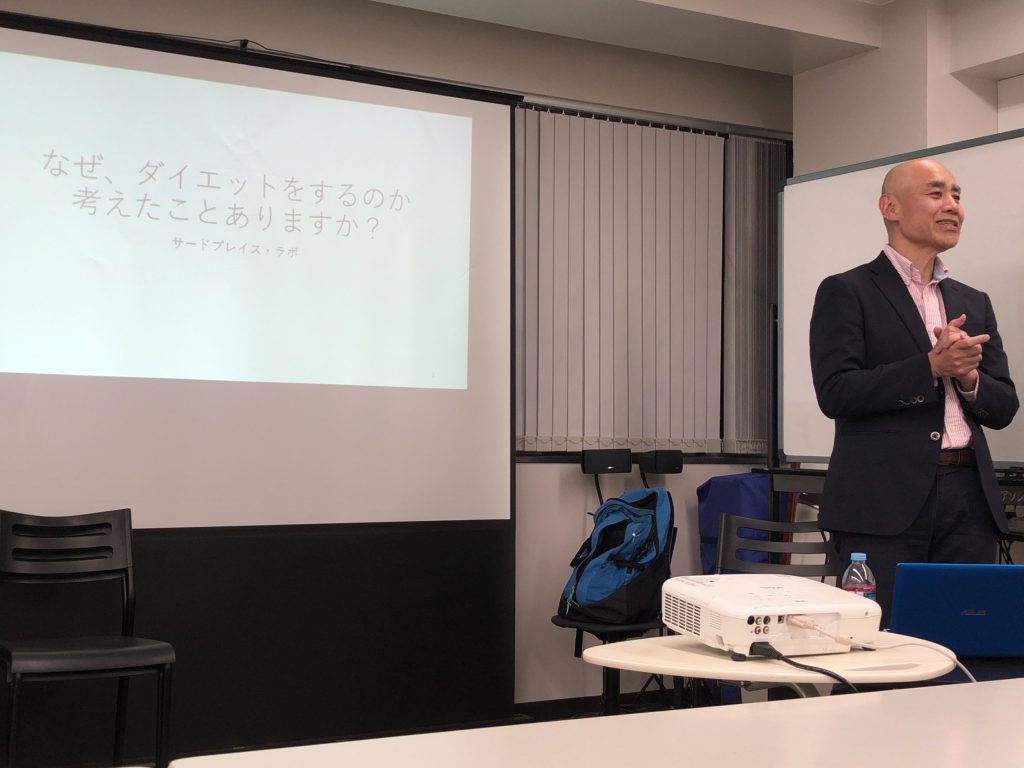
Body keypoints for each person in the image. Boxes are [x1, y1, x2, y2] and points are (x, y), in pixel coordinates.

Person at [808, 157, 1018, 625]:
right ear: (891, 208)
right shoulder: (847, 291)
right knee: (883, 641)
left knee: (967, 641)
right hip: (882, 504)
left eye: (957, 196)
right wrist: (930, 367)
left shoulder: (973, 301)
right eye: (936, 193)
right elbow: (836, 392)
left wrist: (968, 378)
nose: (952, 206)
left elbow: (1004, 406)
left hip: (969, 498)